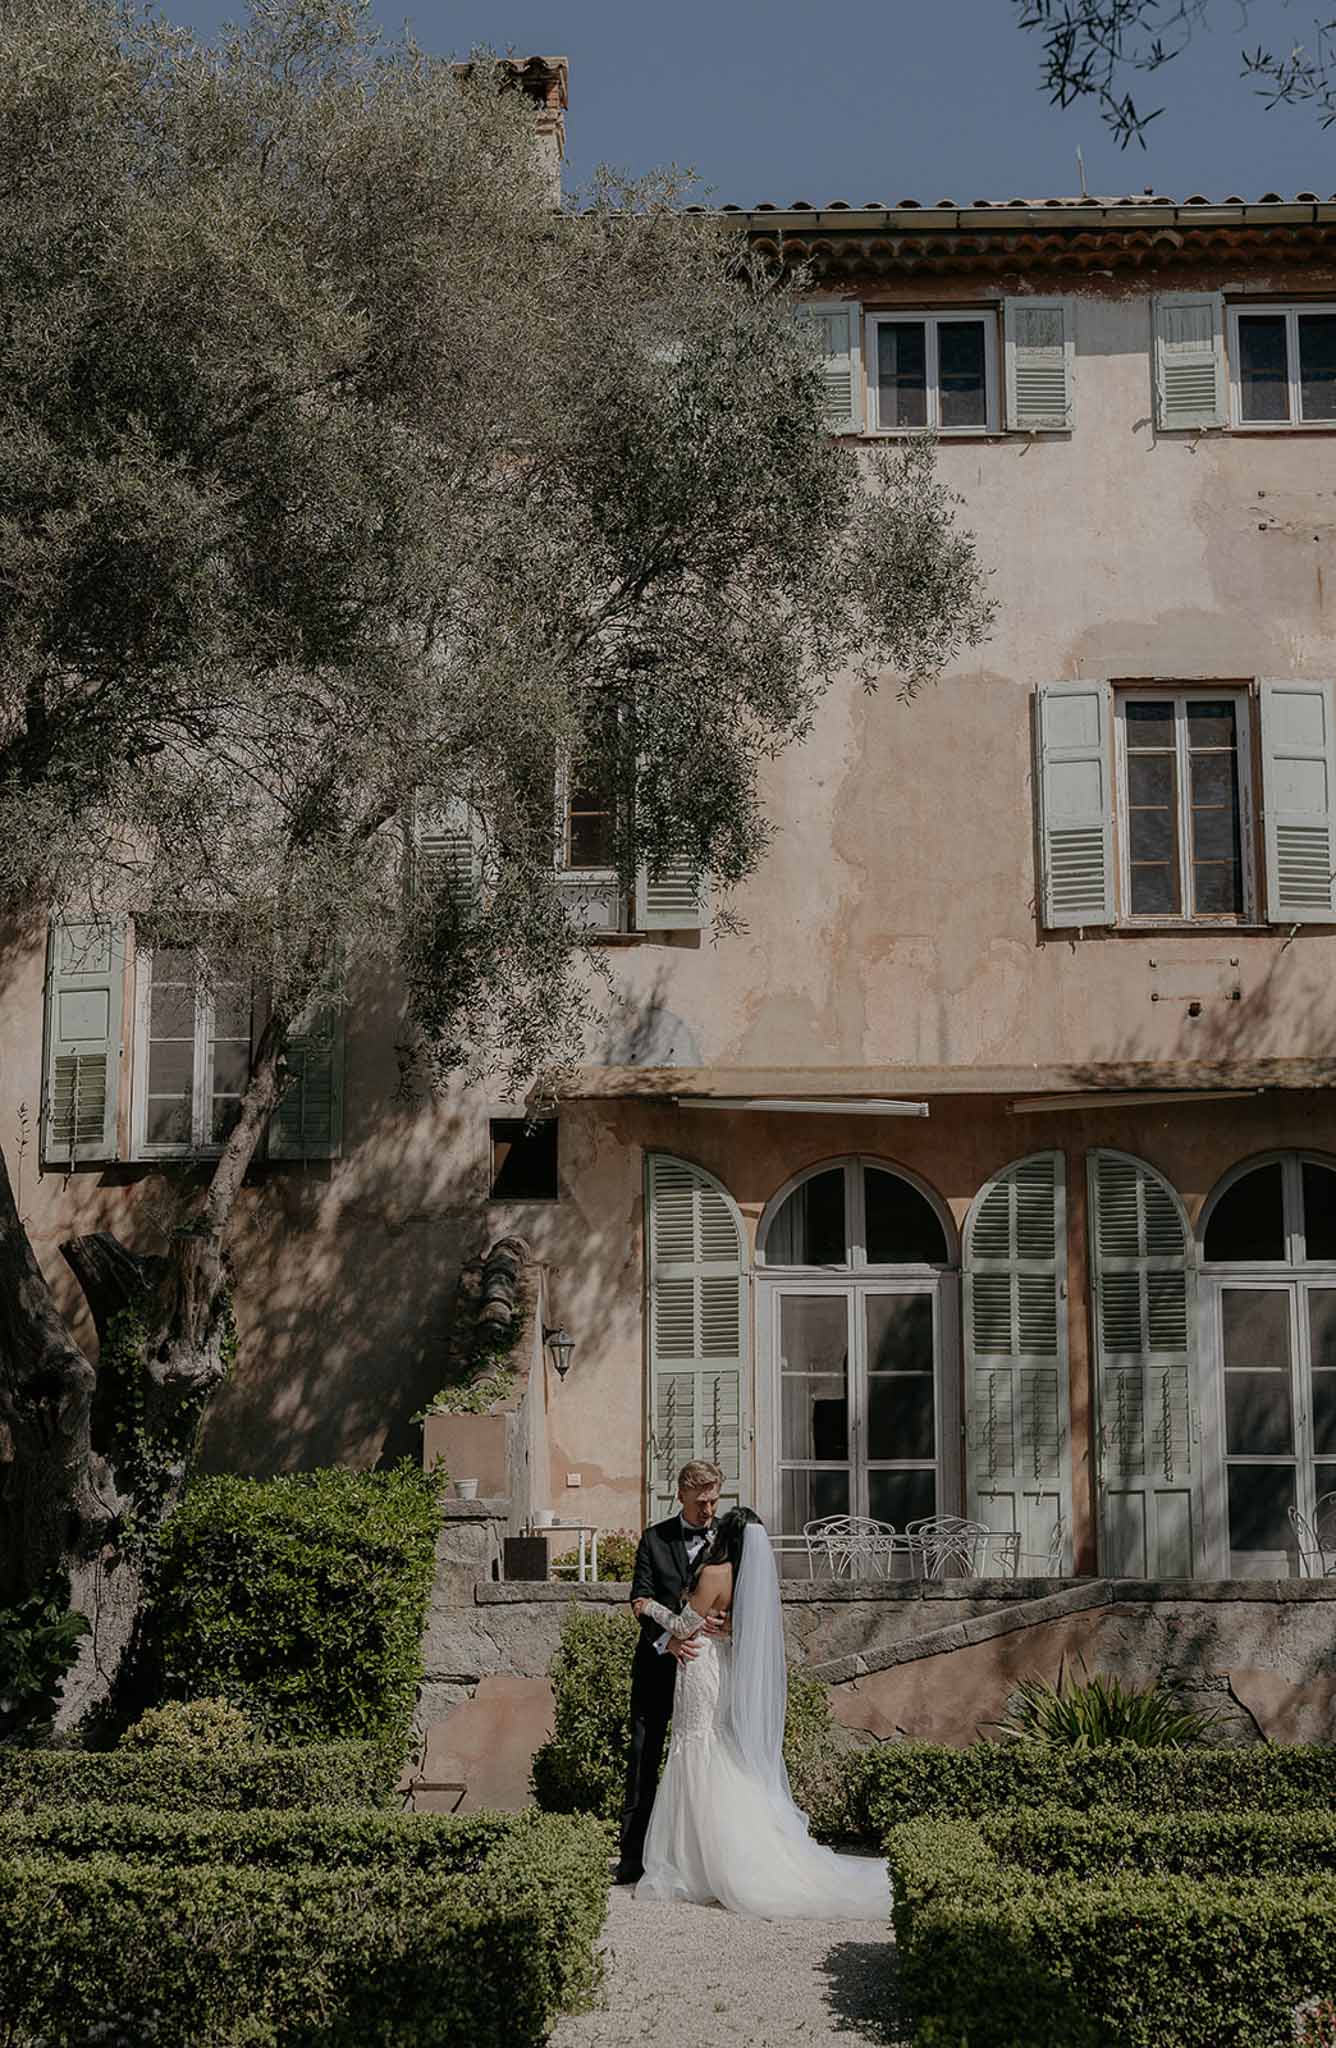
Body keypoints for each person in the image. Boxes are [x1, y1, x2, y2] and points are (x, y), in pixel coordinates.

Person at [632, 1505, 892, 1919]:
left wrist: (648, 1607)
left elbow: (683, 1627)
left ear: (726, 1537)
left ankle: (695, 1864)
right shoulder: (743, 1578)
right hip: (724, 1667)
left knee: (696, 1747)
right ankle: (706, 1856)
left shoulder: (715, 1573)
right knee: (713, 1748)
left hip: (700, 1666)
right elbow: (741, 1625)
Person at [616, 1460, 726, 1886]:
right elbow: (638, 1599)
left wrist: (723, 1622)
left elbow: (737, 1600)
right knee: (644, 1759)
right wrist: (668, 1642)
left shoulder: (727, 1542)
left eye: (714, 1501)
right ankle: (632, 1861)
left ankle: (696, 1860)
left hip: (705, 1672)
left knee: (702, 1761)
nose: (708, 1510)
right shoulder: (653, 1539)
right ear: (680, 1496)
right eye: (701, 1502)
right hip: (657, 1669)